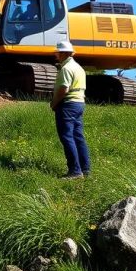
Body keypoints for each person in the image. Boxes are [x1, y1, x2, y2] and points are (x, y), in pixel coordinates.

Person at [49, 40, 90, 178]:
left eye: (58, 53)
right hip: (79, 103)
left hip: (68, 105)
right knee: (78, 137)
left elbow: (63, 89)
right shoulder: (78, 67)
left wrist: (54, 103)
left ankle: (75, 171)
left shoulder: (66, 69)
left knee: (67, 137)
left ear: (64, 53)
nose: (56, 55)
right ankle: (85, 169)